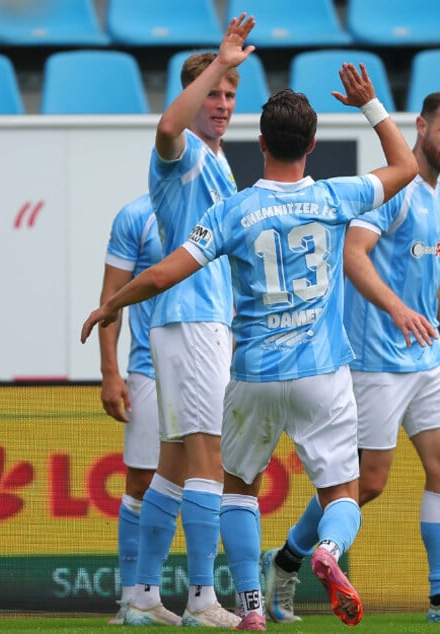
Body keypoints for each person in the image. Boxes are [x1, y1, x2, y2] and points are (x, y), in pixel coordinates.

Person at [81, 62, 418, 631]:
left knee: (236, 488)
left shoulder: (232, 210)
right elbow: (406, 166)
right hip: (322, 372)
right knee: (342, 491)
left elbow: (162, 274)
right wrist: (370, 105)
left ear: (259, 143)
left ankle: (252, 608)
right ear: (312, 145)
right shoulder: (336, 196)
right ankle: (327, 551)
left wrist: (112, 304)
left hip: (254, 373)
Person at [261, 91, 440, 625]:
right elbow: (352, 255)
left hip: (426, 358)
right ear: (421, 126)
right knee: (367, 482)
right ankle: (286, 559)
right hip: (376, 359)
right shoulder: (393, 191)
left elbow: (431, 274)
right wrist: (396, 309)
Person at [118, 14, 255, 628]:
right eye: (213, 93)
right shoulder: (184, 156)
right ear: (193, 94)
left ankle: (143, 596)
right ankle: (203, 599)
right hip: (191, 321)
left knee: (173, 466)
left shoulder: (220, 163)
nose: (221, 103)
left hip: (201, 321)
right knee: (209, 462)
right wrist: (221, 61)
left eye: (229, 94)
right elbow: (167, 127)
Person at [96, 194, 162, 625]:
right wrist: (109, 371)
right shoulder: (137, 216)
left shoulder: (222, 205)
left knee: (214, 480)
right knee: (142, 482)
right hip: (148, 370)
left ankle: (208, 597)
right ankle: (132, 601)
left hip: (214, 367)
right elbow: (111, 298)